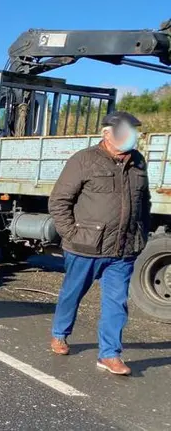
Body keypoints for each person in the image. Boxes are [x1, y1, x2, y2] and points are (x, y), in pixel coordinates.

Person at [48, 111, 150, 376]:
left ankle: (110, 354)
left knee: (117, 303)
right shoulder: (84, 160)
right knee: (72, 294)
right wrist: (72, 234)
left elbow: (144, 202)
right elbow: (59, 201)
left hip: (123, 249)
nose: (132, 137)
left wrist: (142, 232)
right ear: (107, 134)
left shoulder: (138, 162)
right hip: (86, 246)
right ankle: (60, 334)